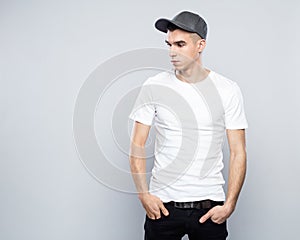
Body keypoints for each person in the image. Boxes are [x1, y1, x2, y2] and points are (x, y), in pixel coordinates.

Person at [128, 10, 248, 240]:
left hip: (208, 208)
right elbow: (137, 145)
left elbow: (238, 151)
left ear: (200, 45)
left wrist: (229, 204)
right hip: (162, 207)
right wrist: (144, 195)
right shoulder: (154, 86)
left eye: (180, 44)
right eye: (169, 44)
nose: (172, 51)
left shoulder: (227, 89)